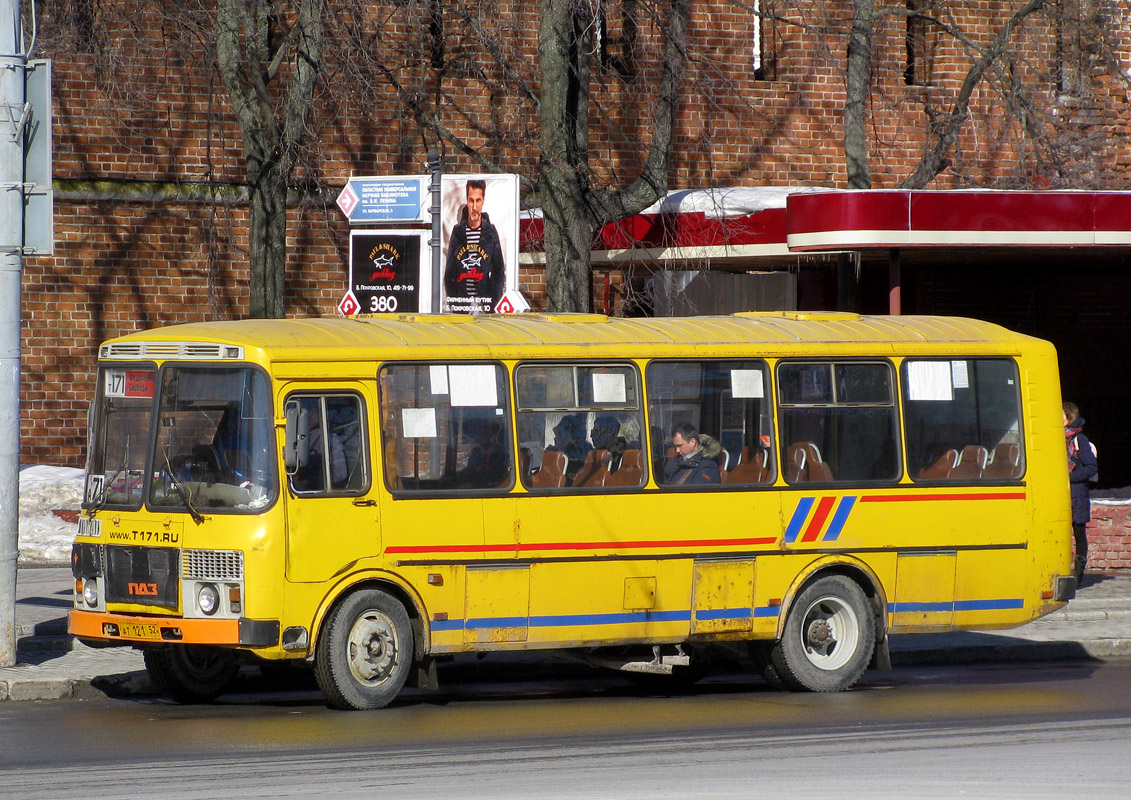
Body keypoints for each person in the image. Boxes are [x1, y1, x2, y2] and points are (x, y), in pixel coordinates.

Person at [443, 179, 506, 314]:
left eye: (478, 200)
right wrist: (454, 301)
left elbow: (499, 270)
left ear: (483, 201)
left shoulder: (490, 232)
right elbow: (450, 272)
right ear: (467, 201)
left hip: (485, 303)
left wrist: (494, 299)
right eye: (471, 201)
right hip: (462, 304)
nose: (475, 206)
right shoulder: (458, 232)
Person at [1064, 401, 1097, 583]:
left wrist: (1070, 478)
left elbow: (1091, 467)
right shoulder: (1056, 438)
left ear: (1069, 417)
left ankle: (1078, 573)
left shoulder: (1079, 439)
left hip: (1077, 494)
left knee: (1078, 533)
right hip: (1062, 494)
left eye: (1061, 415)